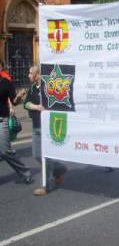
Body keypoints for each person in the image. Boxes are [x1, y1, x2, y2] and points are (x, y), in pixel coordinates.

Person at [24, 65, 67, 196]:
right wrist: (36, 106)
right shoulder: (32, 88)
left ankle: (46, 185)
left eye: (31, 73)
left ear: (37, 74)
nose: (28, 75)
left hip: (46, 126)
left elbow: (56, 101)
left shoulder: (46, 87)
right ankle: (60, 169)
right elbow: (25, 104)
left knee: (45, 157)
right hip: (35, 126)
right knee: (37, 155)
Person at [0, 60, 32, 184]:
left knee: (5, 151)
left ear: (2, 68)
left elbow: (14, 101)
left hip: (2, 120)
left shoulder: (6, 83)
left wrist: (18, 97)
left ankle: (25, 171)